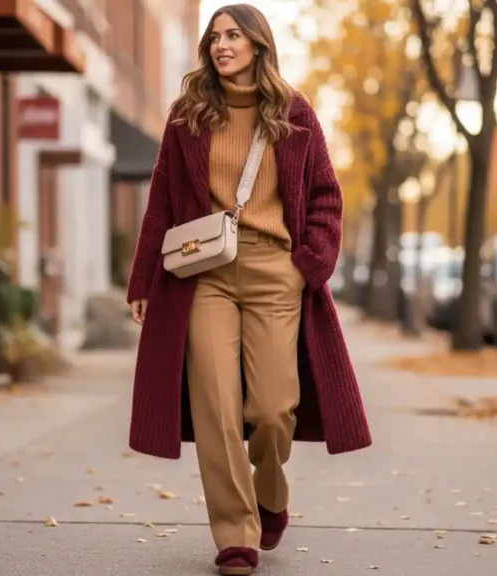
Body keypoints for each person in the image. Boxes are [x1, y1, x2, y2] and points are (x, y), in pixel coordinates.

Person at [125, 4, 372, 575]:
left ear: (259, 44)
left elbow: (326, 197)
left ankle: (272, 493)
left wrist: (308, 264)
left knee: (273, 408)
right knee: (214, 405)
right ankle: (236, 532)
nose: (221, 45)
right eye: (215, 37)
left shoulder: (293, 112)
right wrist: (144, 279)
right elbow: (161, 202)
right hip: (205, 275)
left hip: (275, 272)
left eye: (233, 35)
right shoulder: (188, 115)